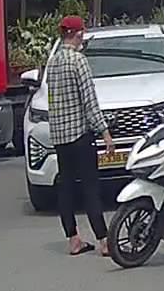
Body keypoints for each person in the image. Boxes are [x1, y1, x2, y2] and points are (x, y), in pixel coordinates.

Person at [46, 15, 115, 256]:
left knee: (65, 186)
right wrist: (104, 132)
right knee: (90, 187)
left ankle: (73, 239)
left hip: (60, 136)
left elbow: (52, 99)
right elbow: (89, 102)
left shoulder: (53, 63)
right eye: (82, 33)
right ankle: (103, 240)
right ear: (78, 34)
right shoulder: (79, 61)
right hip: (80, 134)